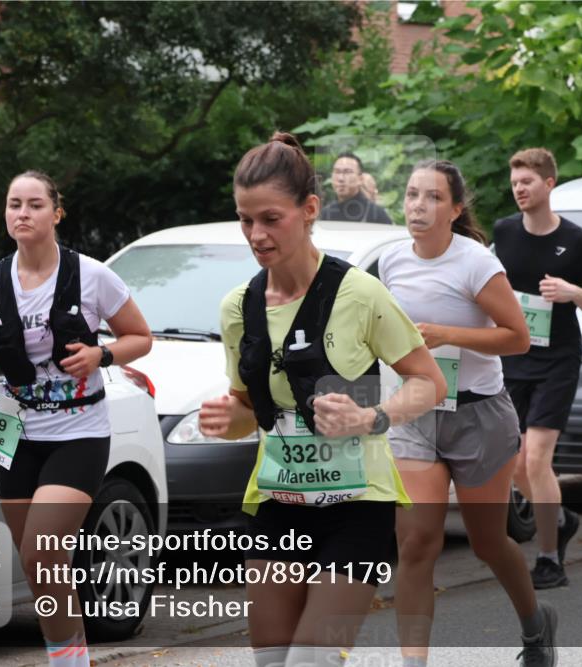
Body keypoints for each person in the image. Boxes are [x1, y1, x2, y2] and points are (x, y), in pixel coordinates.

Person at [198, 132, 446, 667]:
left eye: (270, 218)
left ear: (309, 210)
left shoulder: (360, 293)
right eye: (245, 220)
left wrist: (371, 416)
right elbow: (248, 413)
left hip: (358, 504)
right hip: (279, 501)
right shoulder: (238, 308)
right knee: (272, 660)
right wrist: (227, 419)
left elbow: (429, 382)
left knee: (311, 659)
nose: (256, 235)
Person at [0, 171, 152, 667]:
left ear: (56, 213)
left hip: (78, 429)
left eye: (34, 204)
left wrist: (101, 355)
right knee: (41, 565)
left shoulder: (93, 275)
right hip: (13, 431)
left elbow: (140, 338)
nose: (22, 213)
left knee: (42, 551)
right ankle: (71, 657)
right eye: (14, 204)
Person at [379, 159, 559, 667]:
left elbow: (519, 338)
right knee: (416, 543)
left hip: (478, 414)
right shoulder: (391, 261)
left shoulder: (475, 262)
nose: (419, 204)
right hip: (415, 413)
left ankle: (534, 625)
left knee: (487, 542)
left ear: (455, 210)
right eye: (413, 194)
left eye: (433, 197)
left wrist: (447, 334)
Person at [493, 148, 582, 589]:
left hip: (558, 359)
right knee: (517, 464)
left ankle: (548, 559)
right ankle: (559, 518)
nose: (519, 189)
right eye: (515, 183)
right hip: (513, 358)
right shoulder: (503, 233)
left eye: (527, 182)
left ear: (548, 184)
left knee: (537, 458)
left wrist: (571, 291)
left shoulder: (576, 240)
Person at [320, 151, 393, 224]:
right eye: (337, 172)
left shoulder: (376, 214)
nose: (341, 178)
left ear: (360, 179)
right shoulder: (325, 214)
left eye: (347, 172)